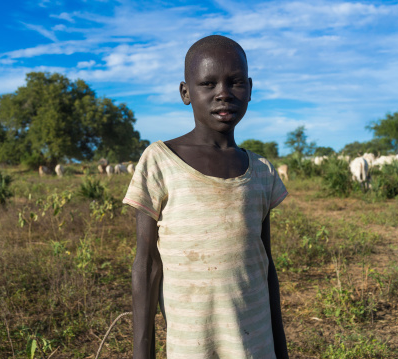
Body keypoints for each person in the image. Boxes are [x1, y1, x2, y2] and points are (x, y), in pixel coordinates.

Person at [123, 35, 289, 359]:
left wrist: (279, 349)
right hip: (192, 346)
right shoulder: (160, 161)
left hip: (255, 346)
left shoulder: (262, 171)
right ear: (186, 92)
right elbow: (146, 265)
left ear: (250, 89)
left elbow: (265, 266)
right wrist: (143, 353)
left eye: (236, 82)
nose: (223, 94)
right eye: (208, 83)